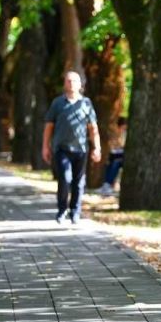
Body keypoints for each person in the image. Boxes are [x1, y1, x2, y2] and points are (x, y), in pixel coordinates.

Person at [42, 71, 101, 224]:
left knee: (78, 181)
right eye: (68, 81)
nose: (71, 84)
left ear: (80, 84)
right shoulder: (57, 103)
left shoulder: (86, 103)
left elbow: (93, 128)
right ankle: (62, 210)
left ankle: (75, 211)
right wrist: (45, 147)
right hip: (61, 148)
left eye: (74, 81)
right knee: (64, 179)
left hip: (81, 149)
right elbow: (49, 126)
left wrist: (97, 148)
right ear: (64, 84)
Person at [100, 116, 127, 196]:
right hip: (119, 155)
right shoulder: (118, 134)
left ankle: (107, 183)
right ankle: (107, 184)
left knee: (115, 162)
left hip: (121, 157)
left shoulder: (125, 134)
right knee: (111, 162)